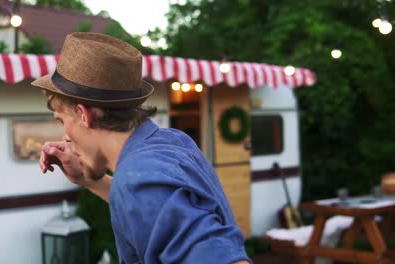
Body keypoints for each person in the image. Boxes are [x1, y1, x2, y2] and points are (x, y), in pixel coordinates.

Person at [33, 32, 251, 264]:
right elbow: (153, 210)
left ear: (83, 115)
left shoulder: (139, 181)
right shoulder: (172, 142)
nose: (66, 136)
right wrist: (90, 179)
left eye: (61, 120)